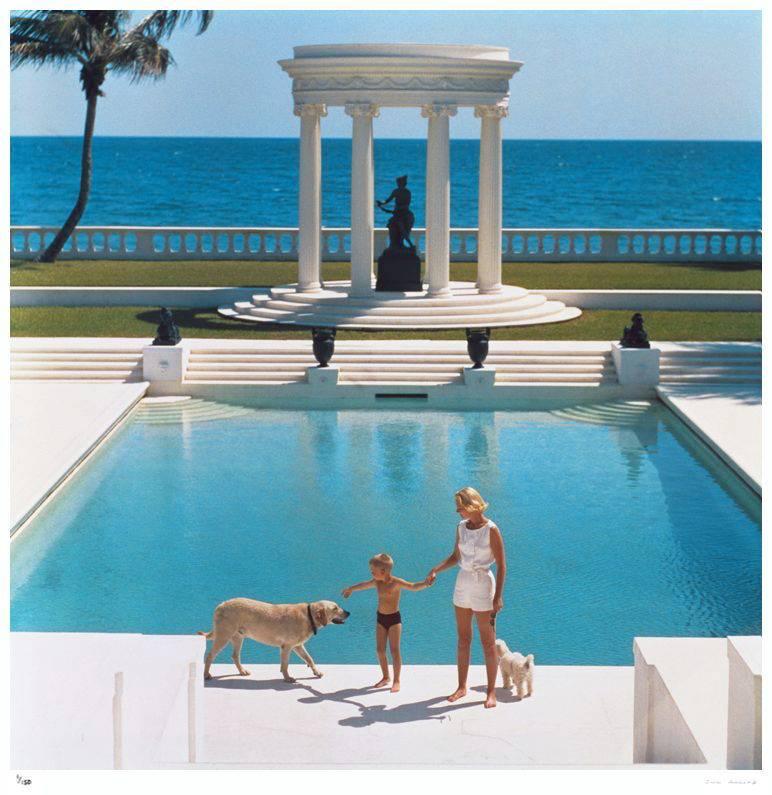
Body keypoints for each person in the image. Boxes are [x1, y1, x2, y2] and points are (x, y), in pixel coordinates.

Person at [426, 487, 506, 709]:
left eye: (460, 507)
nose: (457, 511)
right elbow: (455, 556)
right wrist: (436, 569)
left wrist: (498, 597)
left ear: (471, 506)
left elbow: (502, 566)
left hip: (484, 587)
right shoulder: (461, 527)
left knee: (488, 643)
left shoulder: (491, 530)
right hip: (462, 584)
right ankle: (462, 687)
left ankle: (491, 691)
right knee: (463, 639)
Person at [342, 552, 433, 692]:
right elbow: (363, 585)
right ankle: (386, 677)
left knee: (395, 651)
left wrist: (426, 584)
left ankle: (396, 680)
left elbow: (413, 586)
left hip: (394, 619)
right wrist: (351, 589)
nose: (371, 574)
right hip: (381, 618)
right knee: (380, 650)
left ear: (383, 571)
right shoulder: (376, 582)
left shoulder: (396, 583)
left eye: (373, 571)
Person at [376, 175, 415, 248]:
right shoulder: (395, 191)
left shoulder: (407, 192)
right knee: (393, 227)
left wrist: (395, 211)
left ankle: (410, 244)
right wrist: (381, 203)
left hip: (403, 213)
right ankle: (394, 244)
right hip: (397, 213)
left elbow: (406, 204)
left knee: (403, 230)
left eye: (399, 183)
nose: (398, 184)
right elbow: (387, 200)